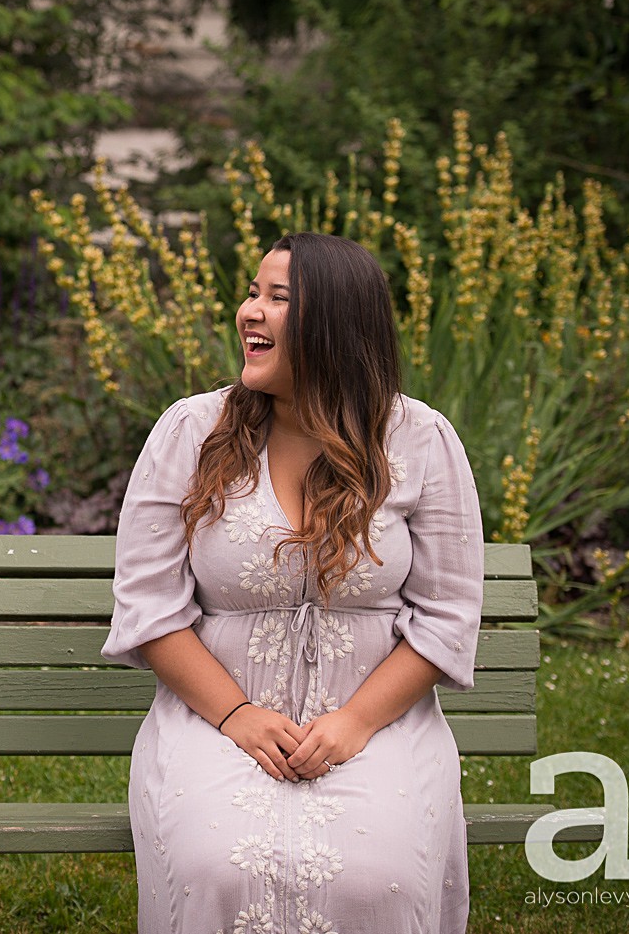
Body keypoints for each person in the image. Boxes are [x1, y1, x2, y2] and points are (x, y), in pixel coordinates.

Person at [103, 232, 483, 934]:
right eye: (252, 292)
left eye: (278, 299)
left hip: (377, 722)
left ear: (335, 324)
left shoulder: (420, 440)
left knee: (378, 877)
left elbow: (447, 616)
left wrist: (355, 722)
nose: (250, 311)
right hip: (215, 718)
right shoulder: (191, 432)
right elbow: (149, 607)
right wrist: (238, 715)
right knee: (216, 865)